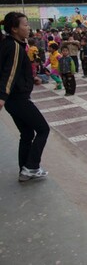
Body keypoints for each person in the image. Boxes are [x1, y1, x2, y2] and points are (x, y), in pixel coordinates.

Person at [0, 12, 50, 181]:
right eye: (25, 24)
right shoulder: (14, 46)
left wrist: (31, 79)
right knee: (43, 129)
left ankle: (25, 170)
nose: (28, 28)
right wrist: (2, 96)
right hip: (17, 99)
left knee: (27, 134)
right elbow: (9, 73)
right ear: (14, 29)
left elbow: (15, 71)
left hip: (15, 98)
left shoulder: (11, 44)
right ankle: (32, 167)